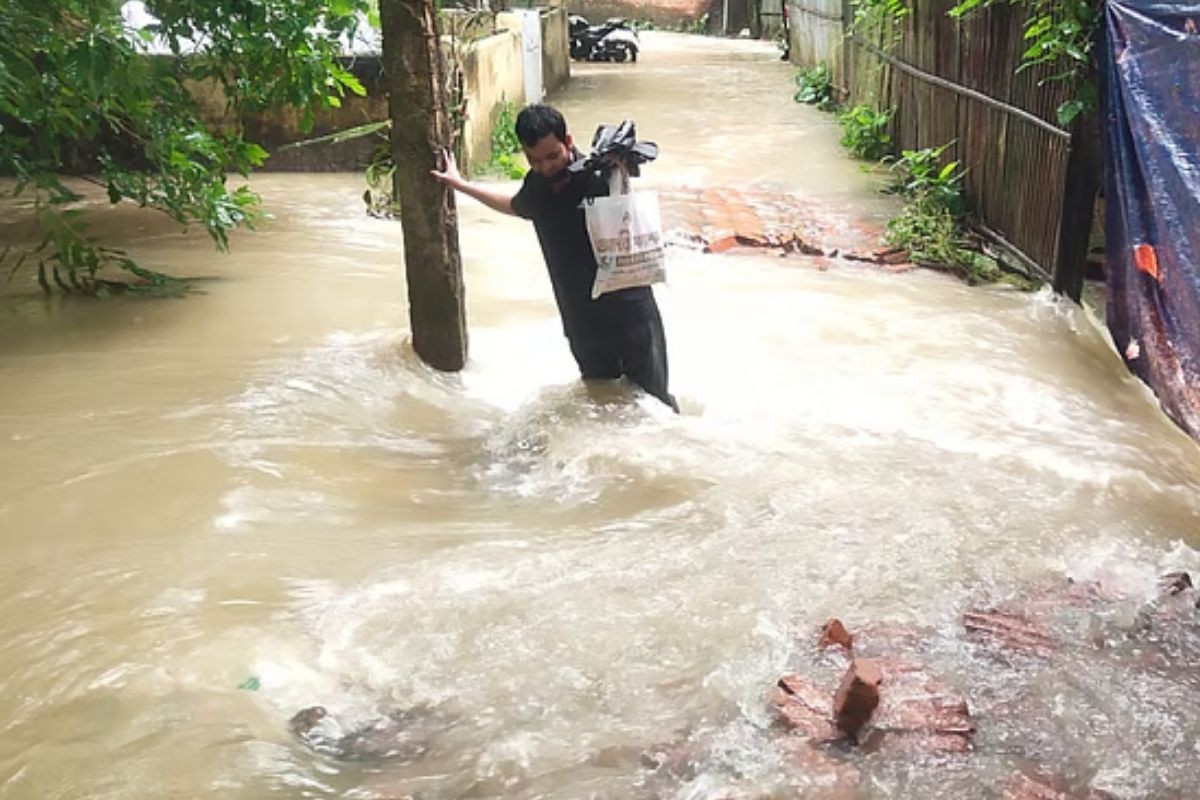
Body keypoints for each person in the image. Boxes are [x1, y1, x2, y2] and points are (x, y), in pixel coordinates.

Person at [430, 104, 678, 412]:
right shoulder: (536, 187)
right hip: (581, 320)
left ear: (568, 142)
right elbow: (515, 206)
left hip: (630, 314)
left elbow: (623, 189)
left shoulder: (599, 177)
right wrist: (461, 185)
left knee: (653, 407)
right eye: (534, 160)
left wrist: (618, 165)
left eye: (552, 156)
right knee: (602, 403)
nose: (545, 166)